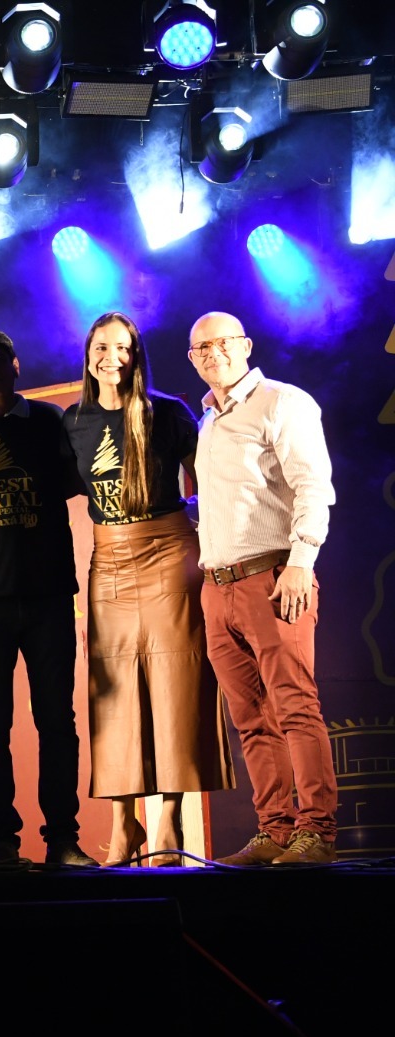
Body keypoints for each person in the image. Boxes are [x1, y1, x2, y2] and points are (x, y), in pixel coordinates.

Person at [64, 313, 234, 867]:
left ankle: (167, 820)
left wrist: (199, 521)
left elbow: (212, 478)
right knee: (112, 692)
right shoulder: (73, 421)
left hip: (167, 552)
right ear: (88, 354)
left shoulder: (169, 411)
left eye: (122, 347)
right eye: (100, 347)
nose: (110, 357)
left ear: (136, 355)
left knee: (174, 684)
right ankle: (123, 823)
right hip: (109, 558)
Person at [0, 327, 96, 867]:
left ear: (16, 365)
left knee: (57, 720)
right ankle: (2, 842)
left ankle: (63, 839)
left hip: (50, 594)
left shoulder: (50, 421)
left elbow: (82, 482)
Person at [188, 311, 338, 866]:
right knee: (251, 718)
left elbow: (313, 487)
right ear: (193, 359)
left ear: (246, 345)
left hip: (272, 578)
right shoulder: (208, 419)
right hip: (217, 585)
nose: (214, 353)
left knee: (295, 707)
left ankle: (316, 832)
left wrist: (301, 562)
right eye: (202, 348)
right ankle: (275, 830)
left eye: (223, 342)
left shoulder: (282, 402)